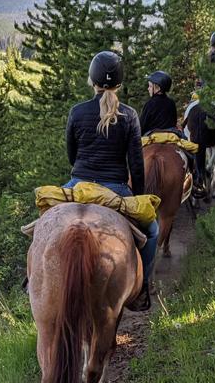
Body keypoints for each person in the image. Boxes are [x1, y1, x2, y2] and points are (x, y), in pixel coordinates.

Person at [65, 51, 159, 311]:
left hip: (79, 185)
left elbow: (72, 156)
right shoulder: (129, 115)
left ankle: (33, 278)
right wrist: (137, 196)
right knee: (153, 231)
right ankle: (141, 288)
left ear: (92, 80)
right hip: (115, 189)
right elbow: (136, 165)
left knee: (45, 222)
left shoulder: (77, 112)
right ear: (119, 83)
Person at [139, 70, 178, 136]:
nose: (148, 89)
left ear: (158, 88)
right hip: (171, 134)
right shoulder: (171, 102)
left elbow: (142, 124)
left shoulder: (150, 103)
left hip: (152, 134)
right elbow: (174, 122)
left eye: (150, 86)